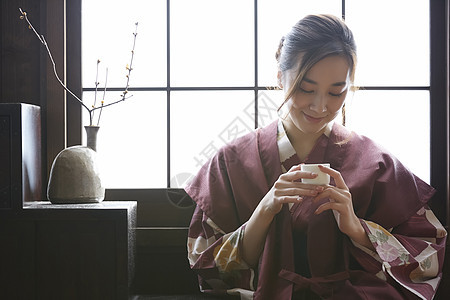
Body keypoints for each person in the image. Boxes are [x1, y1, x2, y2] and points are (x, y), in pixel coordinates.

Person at [185, 14, 446, 300]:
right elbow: (206, 264)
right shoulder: (230, 162)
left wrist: (357, 228)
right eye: (306, 89)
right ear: (279, 77)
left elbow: (427, 257)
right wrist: (264, 210)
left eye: (336, 92)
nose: (320, 106)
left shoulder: (377, 163)